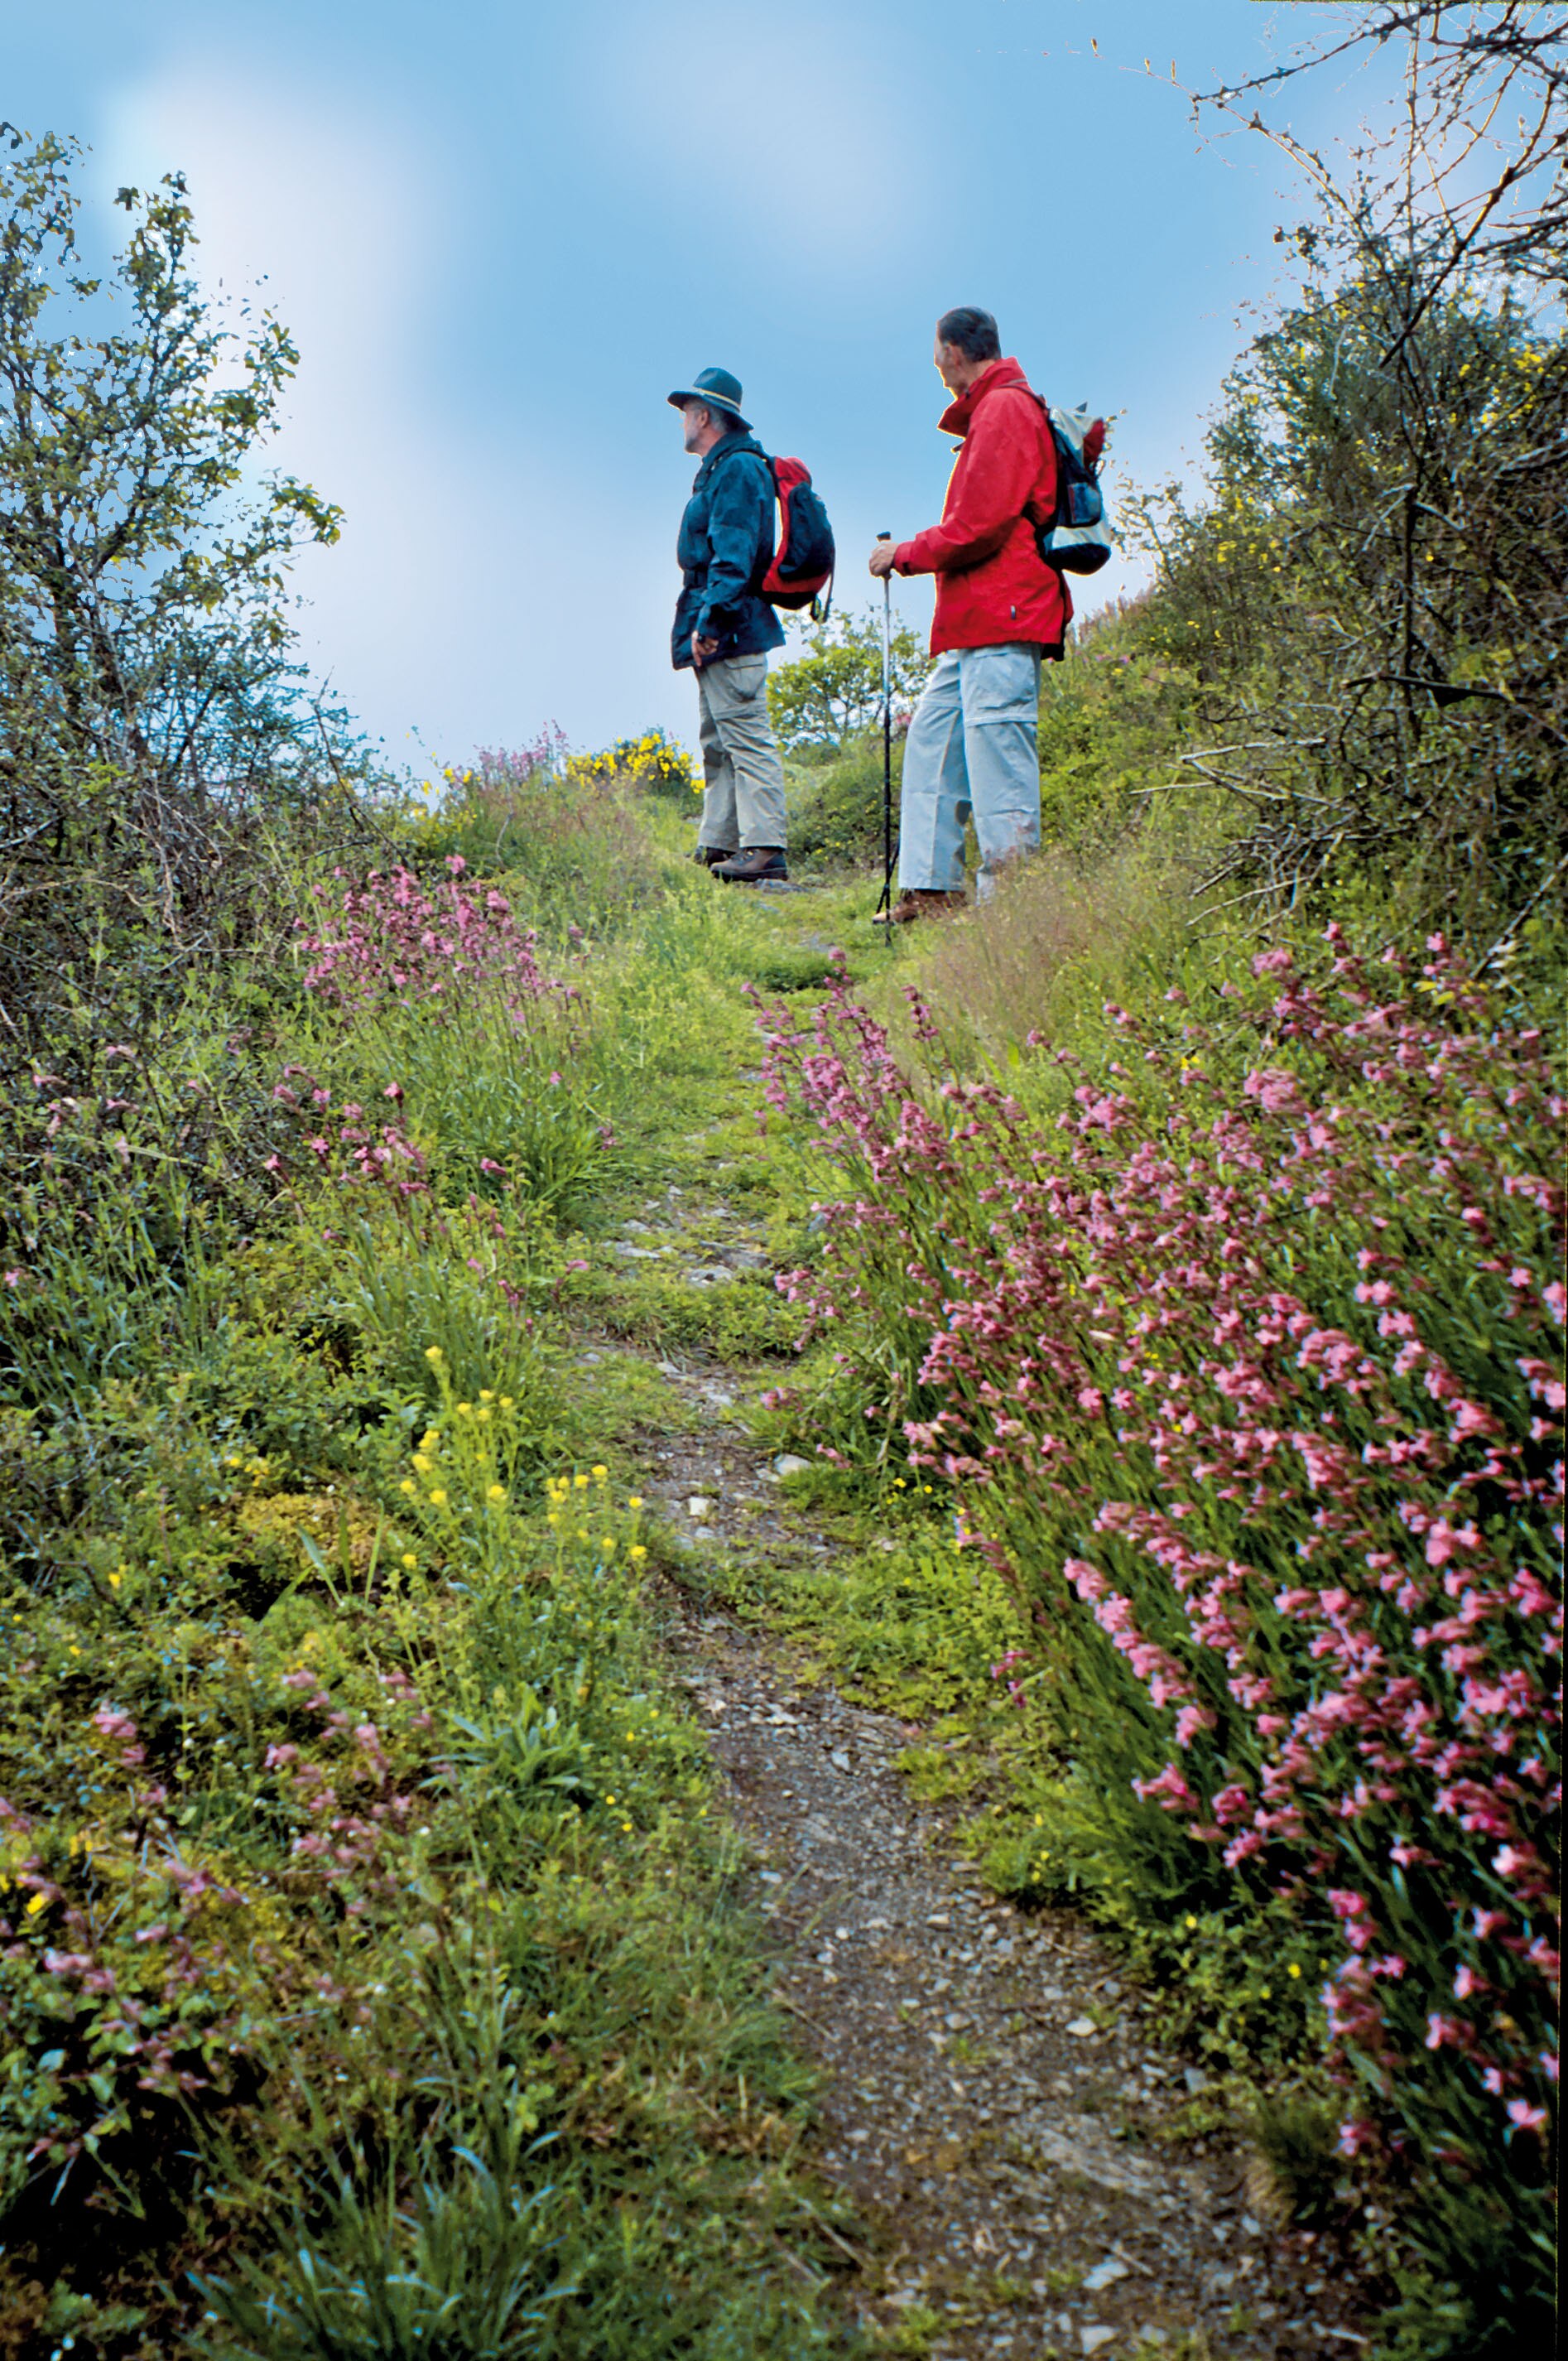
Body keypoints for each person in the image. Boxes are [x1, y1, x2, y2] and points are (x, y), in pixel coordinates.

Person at [868, 308, 1070, 923]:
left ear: (955, 351)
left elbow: (979, 526)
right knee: (932, 738)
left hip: (1003, 614)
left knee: (999, 760)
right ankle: (933, 891)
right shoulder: (993, 410)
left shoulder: (1005, 408)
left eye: (936, 352)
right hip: (978, 621)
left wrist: (902, 554)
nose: (935, 364)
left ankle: (1013, 909)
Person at [667, 367, 789, 884]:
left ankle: (764, 849)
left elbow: (733, 557)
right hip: (723, 617)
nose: (681, 423)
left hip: (731, 622)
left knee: (745, 735)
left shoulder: (736, 469)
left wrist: (713, 621)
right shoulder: (725, 467)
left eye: (685, 414)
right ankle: (719, 844)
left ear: (704, 415)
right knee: (718, 736)